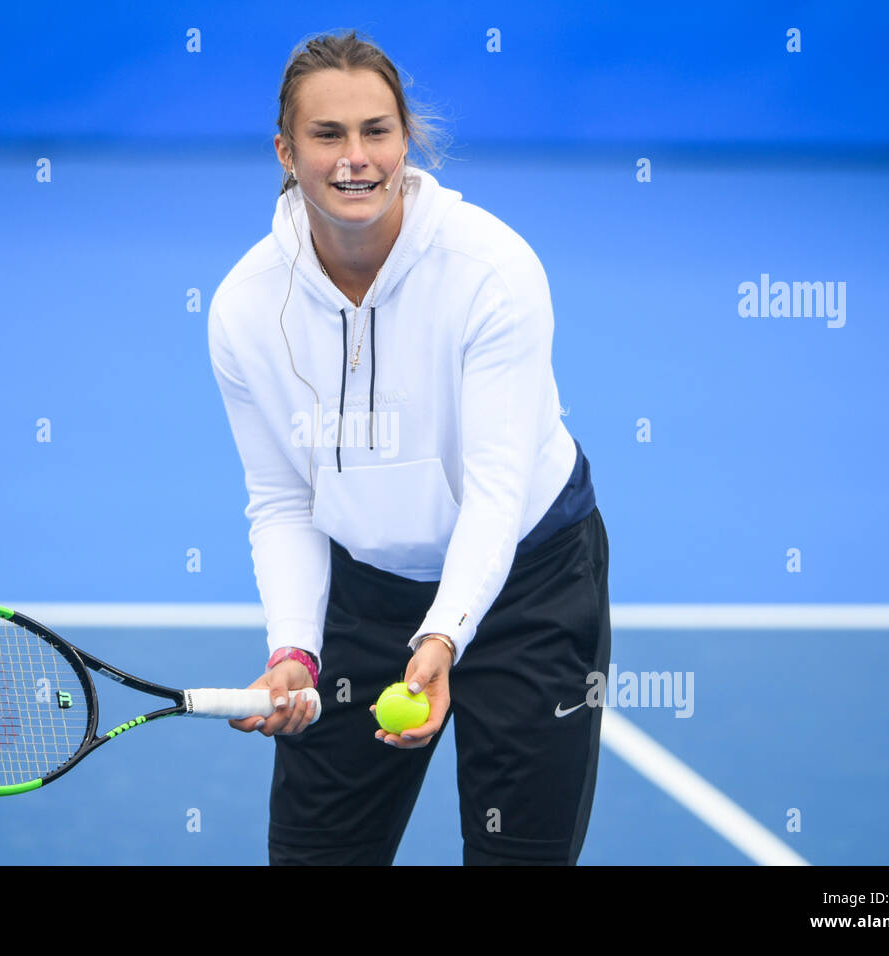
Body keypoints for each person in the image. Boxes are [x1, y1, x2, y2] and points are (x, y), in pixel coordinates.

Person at [207, 29, 611, 865]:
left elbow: (495, 490)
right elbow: (283, 501)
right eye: (328, 136)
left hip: (528, 586)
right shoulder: (245, 310)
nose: (356, 158)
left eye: (376, 131)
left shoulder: (491, 270)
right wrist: (294, 649)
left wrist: (443, 638)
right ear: (286, 151)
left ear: (406, 139)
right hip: (365, 592)